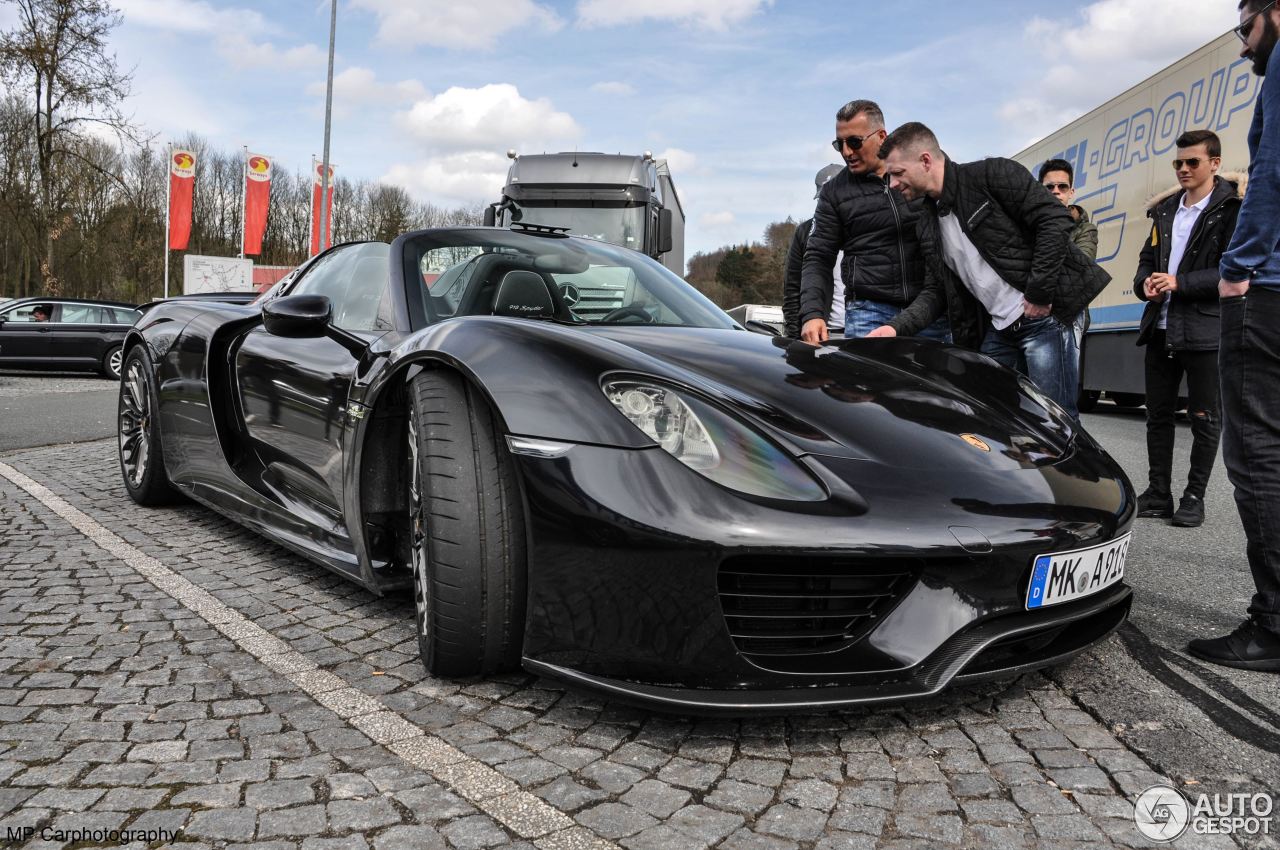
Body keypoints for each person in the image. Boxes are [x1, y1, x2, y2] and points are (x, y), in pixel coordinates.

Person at [869, 122, 1110, 419]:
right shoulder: (926, 222)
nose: (892, 183)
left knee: (1057, 422)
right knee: (993, 417)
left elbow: (1054, 221)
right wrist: (895, 327)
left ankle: (1072, 468)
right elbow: (935, 292)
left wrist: (1039, 292)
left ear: (926, 161)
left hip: (1045, 317)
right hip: (1000, 329)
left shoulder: (992, 174)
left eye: (897, 173)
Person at [1187, 0, 1280, 672]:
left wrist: (1237, 269)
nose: (1243, 45)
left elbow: (1272, 177)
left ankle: (1274, 627)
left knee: (1259, 457)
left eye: (1244, 26)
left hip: (1268, 293)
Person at [1133, 130, 1241, 529]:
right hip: (1160, 327)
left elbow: (1232, 270)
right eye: (1178, 163)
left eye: (1192, 162)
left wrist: (1180, 283)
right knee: (1157, 416)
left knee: (1204, 418)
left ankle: (1194, 497)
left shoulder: (1230, 210)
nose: (1183, 169)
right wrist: (1144, 284)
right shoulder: (1165, 211)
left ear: (1214, 163)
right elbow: (1146, 260)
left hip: (1205, 329)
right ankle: (1158, 493)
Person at [798, 100, 949, 344]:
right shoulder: (834, 193)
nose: (847, 152)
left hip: (929, 308)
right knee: (869, 383)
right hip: (870, 311)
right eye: (840, 144)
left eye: (854, 142)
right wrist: (812, 313)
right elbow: (817, 256)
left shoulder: (918, 173)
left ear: (881, 136)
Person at [783, 164, 845, 338]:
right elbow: (792, 289)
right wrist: (795, 339)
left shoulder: (867, 226)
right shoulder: (805, 233)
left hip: (866, 332)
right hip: (822, 336)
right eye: (824, 199)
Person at [1039, 158, 1098, 260]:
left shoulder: (1085, 230)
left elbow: (1082, 268)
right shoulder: (1028, 224)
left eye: (1062, 186)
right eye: (1049, 187)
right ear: (1039, 190)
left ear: (1071, 192)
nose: (1056, 191)